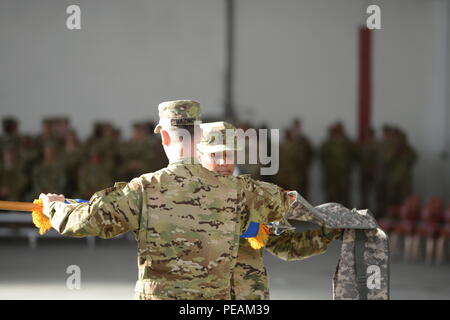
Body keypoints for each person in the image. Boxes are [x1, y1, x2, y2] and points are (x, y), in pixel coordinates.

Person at [39, 100, 296, 300]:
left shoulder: (144, 189)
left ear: (164, 136)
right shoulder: (240, 189)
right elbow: (293, 206)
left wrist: (53, 206)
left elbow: (86, 222)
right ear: (199, 137)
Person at [197, 121, 341, 299]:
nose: (223, 162)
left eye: (229, 154)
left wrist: (330, 232)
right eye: (214, 155)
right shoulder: (180, 197)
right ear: (199, 156)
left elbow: (287, 246)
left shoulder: (256, 195)